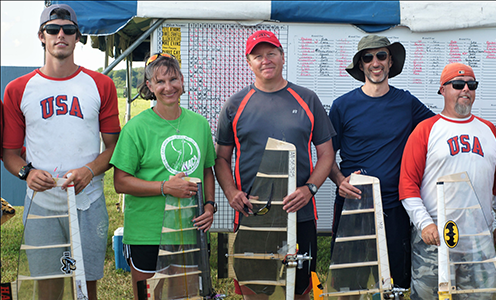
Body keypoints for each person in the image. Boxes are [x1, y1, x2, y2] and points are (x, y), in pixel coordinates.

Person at [2, 4, 120, 299]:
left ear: (78, 37)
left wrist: (89, 170)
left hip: (88, 200)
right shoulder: (18, 89)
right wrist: (27, 173)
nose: (61, 35)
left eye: (68, 30)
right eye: (53, 29)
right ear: (41, 36)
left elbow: (113, 148)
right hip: (42, 202)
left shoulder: (101, 85)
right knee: (48, 287)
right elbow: (9, 153)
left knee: (85, 285)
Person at [215, 30, 335, 299]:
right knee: (253, 289)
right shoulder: (234, 105)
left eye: (271, 53)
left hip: (299, 214)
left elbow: (326, 154)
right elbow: (221, 158)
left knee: (300, 289)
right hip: (252, 214)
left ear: (282, 56)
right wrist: (231, 193)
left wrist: (310, 189)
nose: (265, 60)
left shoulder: (307, 99)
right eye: (258, 56)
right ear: (249, 62)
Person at [328, 34, 435, 292]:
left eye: (381, 56)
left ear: (390, 62)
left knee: (393, 286)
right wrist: (339, 180)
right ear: (361, 65)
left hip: (394, 205)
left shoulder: (407, 103)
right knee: (348, 285)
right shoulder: (343, 106)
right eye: (368, 57)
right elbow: (326, 155)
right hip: (353, 204)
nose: (375, 62)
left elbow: (438, 131)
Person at [399, 63, 496, 299]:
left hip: (478, 238)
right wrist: (424, 224)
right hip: (435, 237)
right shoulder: (425, 130)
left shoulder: (489, 130)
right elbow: (408, 185)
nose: (465, 90)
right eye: (458, 84)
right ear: (442, 90)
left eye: (472, 85)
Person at [110, 52, 216, 299]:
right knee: (149, 295)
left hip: (189, 228)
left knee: (185, 295)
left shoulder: (199, 124)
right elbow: (120, 182)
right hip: (148, 230)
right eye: (160, 82)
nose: (168, 87)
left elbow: (207, 170)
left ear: (182, 80)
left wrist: (209, 206)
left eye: (173, 79)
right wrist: (164, 187)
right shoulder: (136, 128)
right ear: (149, 86)